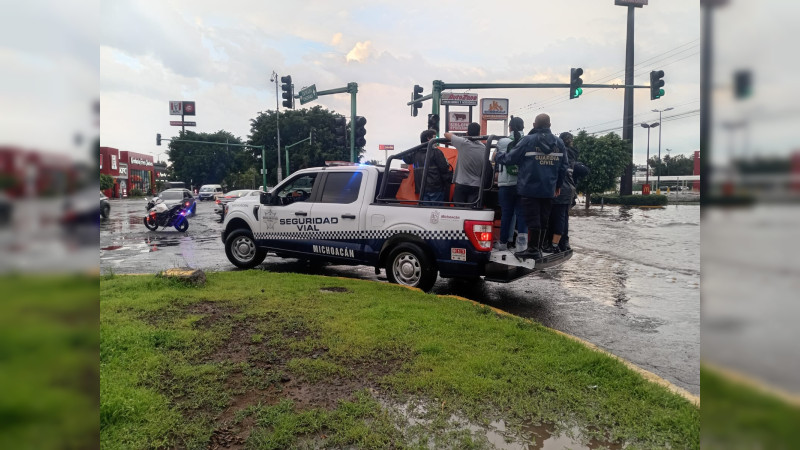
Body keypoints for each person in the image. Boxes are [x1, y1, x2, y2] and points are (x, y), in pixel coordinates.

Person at [495, 113, 568, 260]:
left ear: (534, 125)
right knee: (543, 219)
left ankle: (533, 249)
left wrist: (498, 156)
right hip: (548, 188)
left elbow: (511, 158)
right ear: (550, 125)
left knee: (532, 219)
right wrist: (558, 185)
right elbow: (563, 167)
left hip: (529, 188)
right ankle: (538, 248)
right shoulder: (559, 143)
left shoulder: (528, 140)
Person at [494, 116, 528, 251]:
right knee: (521, 214)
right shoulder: (527, 141)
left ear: (510, 128)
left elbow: (495, 158)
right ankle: (521, 245)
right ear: (523, 127)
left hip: (506, 184)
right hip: (523, 184)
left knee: (507, 213)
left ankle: (503, 242)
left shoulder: (502, 142)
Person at [545, 132, 578, 253]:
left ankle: (553, 244)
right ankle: (563, 244)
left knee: (555, 218)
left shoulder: (559, 153)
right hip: (569, 190)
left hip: (560, 189)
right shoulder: (573, 154)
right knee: (563, 218)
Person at [402, 129, 452, 206]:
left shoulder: (415, 152)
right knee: (436, 212)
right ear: (429, 138)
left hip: (421, 188)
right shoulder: (436, 152)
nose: (437, 140)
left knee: (425, 211)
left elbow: (406, 158)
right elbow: (444, 169)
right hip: (436, 187)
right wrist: (449, 180)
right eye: (435, 137)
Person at [444, 123, 487, 206]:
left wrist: (461, 137)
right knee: (472, 210)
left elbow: (446, 134)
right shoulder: (483, 148)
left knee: (459, 210)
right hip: (476, 185)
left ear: (467, 133)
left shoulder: (463, 143)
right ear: (479, 134)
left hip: (461, 183)